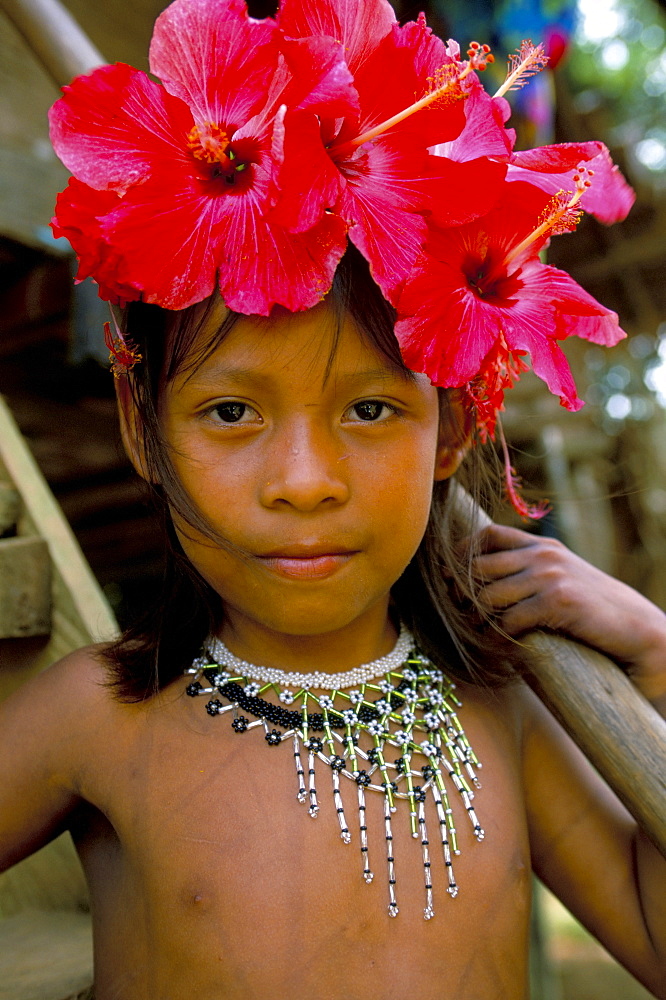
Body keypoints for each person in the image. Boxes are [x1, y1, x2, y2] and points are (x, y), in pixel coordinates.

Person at [2, 0, 665, 997]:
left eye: (368, 408)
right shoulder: (96, 717)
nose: (305, 482)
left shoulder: (503, 717)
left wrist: (657, 663)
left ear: (453, 429)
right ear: (144, 430)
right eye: (230, 412)